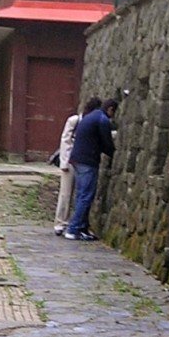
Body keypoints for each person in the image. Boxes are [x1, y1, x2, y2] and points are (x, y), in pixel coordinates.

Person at [64, 95, 116, 242]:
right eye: (113, 113)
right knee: (86, 196)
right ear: (110, 109)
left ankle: (82, 228)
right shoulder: (102, 119)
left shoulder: (90, 116)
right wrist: (114, 153)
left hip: (77, 159)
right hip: (88, 161)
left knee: (81, 195)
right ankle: (73, 229)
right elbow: (107, 143)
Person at [53, 99, 100, 235]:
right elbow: (65, 141)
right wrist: (64, 163)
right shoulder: (75, 120)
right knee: (66, 193)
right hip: (70, 160)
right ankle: (60, 222)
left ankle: (78, 222)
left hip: (82, 160)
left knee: (81, 193)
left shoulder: (92, 123)